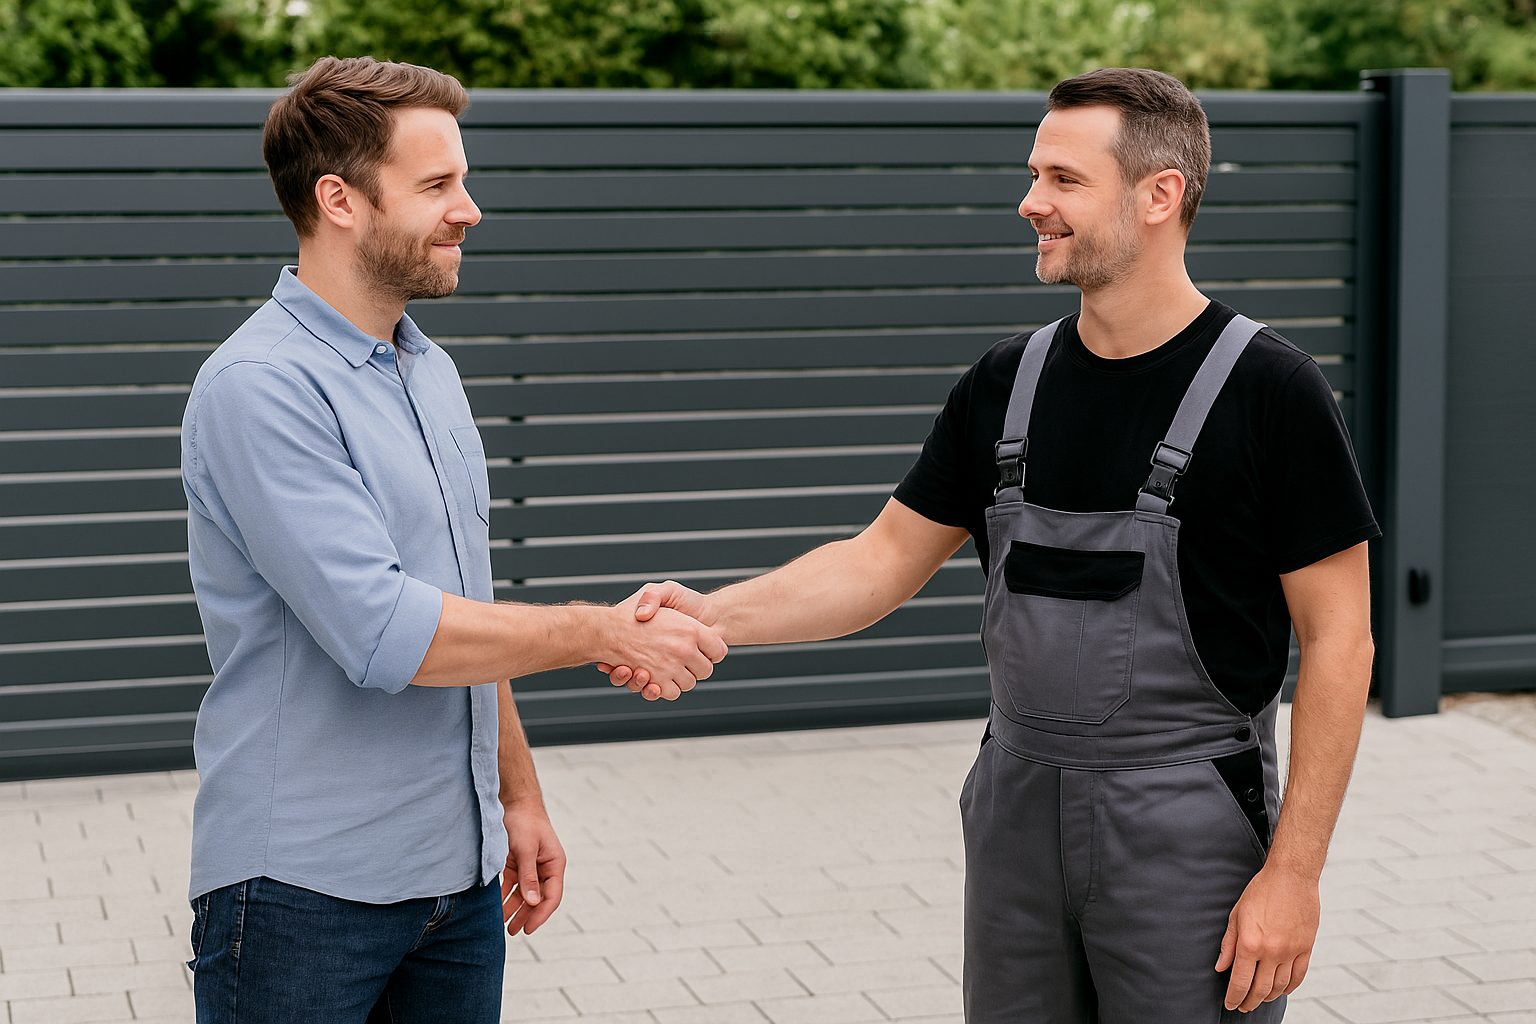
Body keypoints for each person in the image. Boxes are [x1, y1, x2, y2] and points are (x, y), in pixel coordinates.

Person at [602, 67, 1378, 1022]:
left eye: (1062, 179)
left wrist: (1294, 875)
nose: (1031, 201)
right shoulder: (1006, 383)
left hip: (1189, 824)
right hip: (1017, 811)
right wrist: (704, 618)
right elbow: (877, 561)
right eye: (1033, 173)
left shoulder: (1273, 393)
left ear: (1160, 193)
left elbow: (1343, 640)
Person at [179, 56, 726, 1023]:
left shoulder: (429, 372)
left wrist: (517, 797)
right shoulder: (260, 387)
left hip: (457, 887)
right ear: (338, 199)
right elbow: (391, 634)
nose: (469, 210)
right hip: (302, 897)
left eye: (461, 181)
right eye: (437, 186)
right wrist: (606, 630)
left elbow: (462, 603)